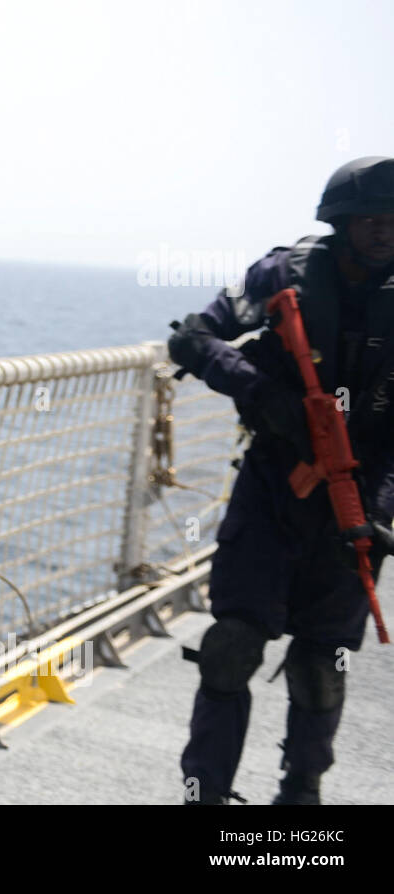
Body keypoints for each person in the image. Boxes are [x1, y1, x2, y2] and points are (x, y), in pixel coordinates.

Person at [168, 156, 394, 805]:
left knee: (321, 666)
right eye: (372, 219)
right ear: (343, 223)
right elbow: (194, 338)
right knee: (232, 646)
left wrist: (378, 507)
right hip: (273, 487)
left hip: (359, 500)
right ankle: (203, 791)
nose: (385, 233)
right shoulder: (284, 273)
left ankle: (302, 793)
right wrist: (264, 395)